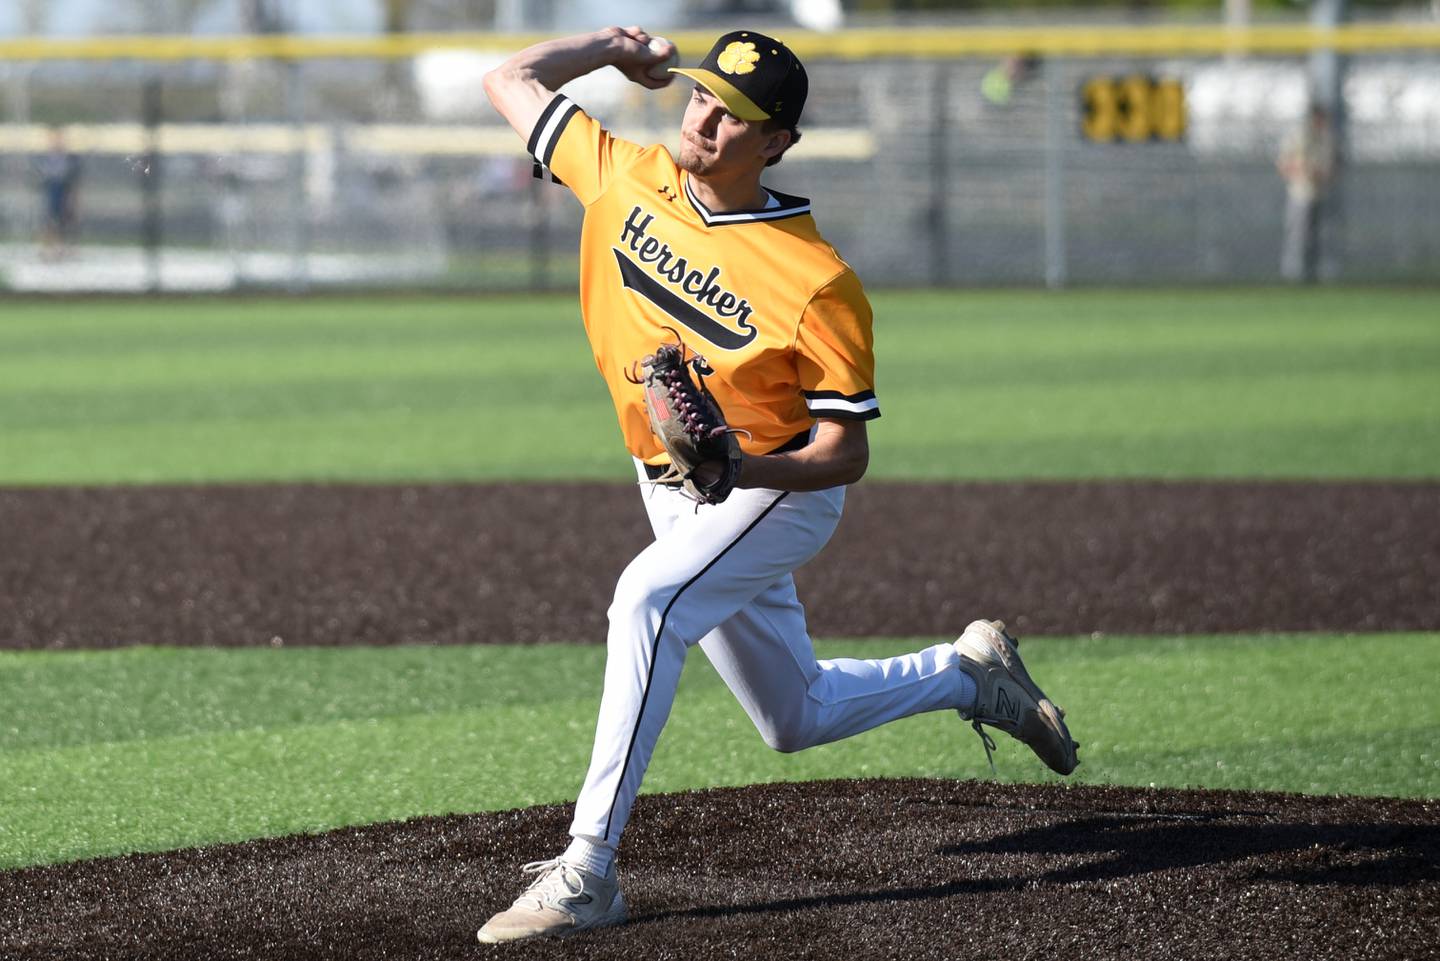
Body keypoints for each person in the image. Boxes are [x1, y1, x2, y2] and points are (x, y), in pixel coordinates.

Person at [477, 26, 1079, 944]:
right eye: (702, 96)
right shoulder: (621, 175)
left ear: (778, 142)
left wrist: (739, 470)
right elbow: (509, 76)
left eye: (737, 115)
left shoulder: (817, 279)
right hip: (673, 484)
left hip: (777, 489)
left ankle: (587, 870)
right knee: (793, 716)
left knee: (645, 598)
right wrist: (612, 47)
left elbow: (845, 453)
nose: (707, 120)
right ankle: (967, 674)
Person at [1277, 103, 1336, 284]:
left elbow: (1331, 166)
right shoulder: (1298, 137)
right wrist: (1301, 171)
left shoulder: (1327, 139)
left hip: (1320, 193)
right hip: (1300, 194)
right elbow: (1283, 164)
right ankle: (1293, 275)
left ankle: (1314, 275)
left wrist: (1322, 174)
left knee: (1317, 237)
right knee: (1297, 235)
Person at [36, 127, 82, 259]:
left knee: (66, 219)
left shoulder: (71, 157)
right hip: (51, 190)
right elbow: (42, 175)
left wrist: (73, 195)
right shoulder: (45, 157)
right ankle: (48, 247)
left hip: (65, 191)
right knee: (49, 219)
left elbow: (74, 177)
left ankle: (66, 247)